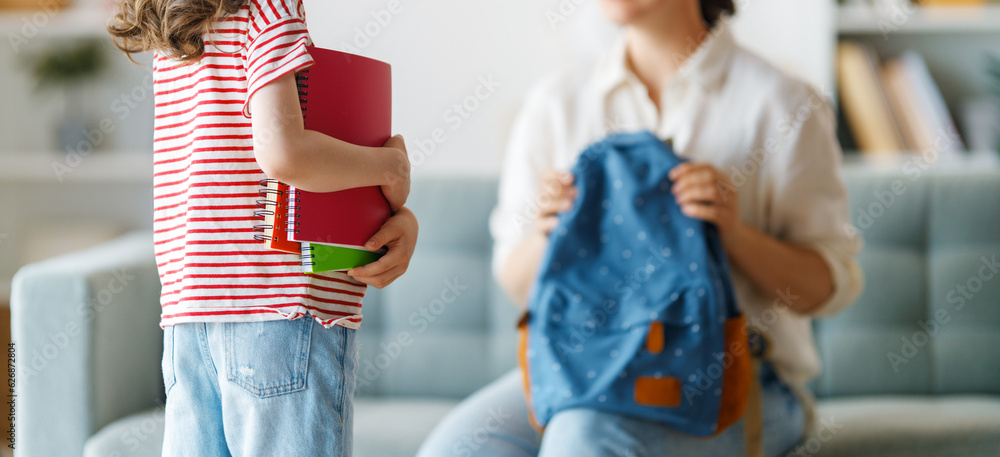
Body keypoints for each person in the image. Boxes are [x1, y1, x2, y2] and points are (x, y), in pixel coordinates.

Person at [417, 0, 862, 455]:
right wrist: (549, 234)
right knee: (460, 448)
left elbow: (827, 288)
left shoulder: (784, 104)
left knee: (582, 438)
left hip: (736, 375)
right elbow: (516, 283)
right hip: (581, 360)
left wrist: (734, 233)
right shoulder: (556, 104)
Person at [108, 1, 418, 455]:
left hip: (187, 319)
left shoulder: (174, 34)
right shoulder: (267, 10)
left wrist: (396, 219)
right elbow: (284, 156)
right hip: (279, 312)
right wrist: (389, 167)